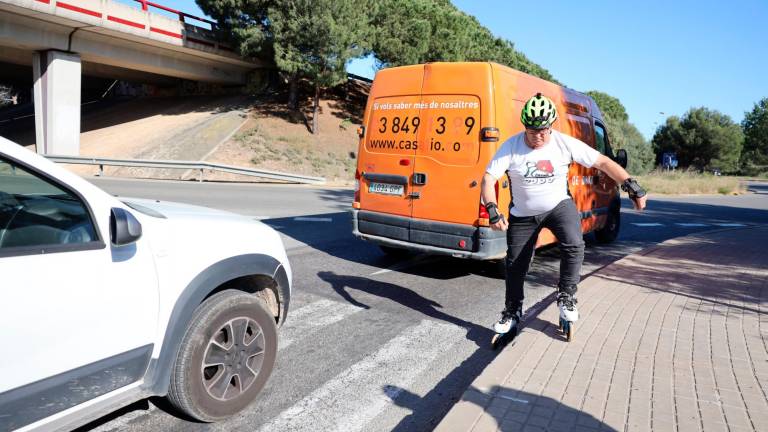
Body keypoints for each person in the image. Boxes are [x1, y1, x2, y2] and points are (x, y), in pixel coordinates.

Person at [481, 93, 647, 335]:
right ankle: (512, 311)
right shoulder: (511, 147)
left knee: (574, 244)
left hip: (558, 206)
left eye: (543, 131)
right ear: (525, 127)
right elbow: (488, 178)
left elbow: (603, 162)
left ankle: (566, 295)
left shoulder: (563, 143)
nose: (538, 137)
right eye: (532, 131)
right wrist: (492, 209)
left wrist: (632, 185)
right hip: (523, 214)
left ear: (552, 125)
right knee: (515, 264)